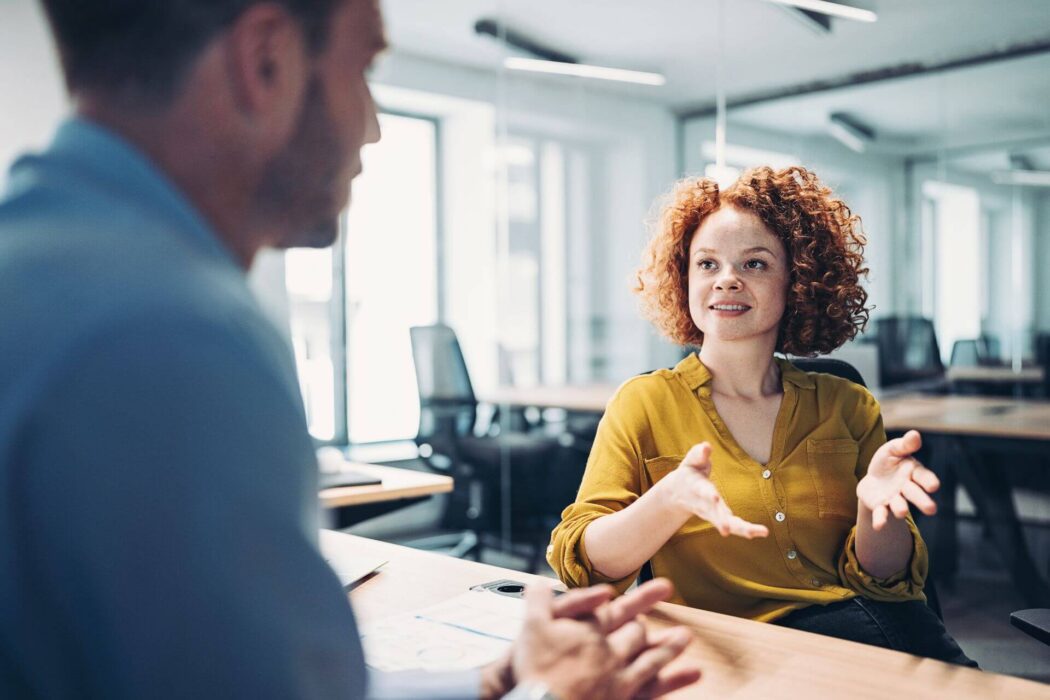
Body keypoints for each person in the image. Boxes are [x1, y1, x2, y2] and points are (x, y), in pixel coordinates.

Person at [0, 1, 701, 698]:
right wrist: (553, 696)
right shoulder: (169, 334)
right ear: (266, 61)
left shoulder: (48, 270)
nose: (371, 127)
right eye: (364, 68)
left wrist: (495, 681)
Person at [548, 166, 975, 666]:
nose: (726, 279)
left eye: (754, 264)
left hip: (878, 634)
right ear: (683, 278)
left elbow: (884, 580)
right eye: (707, 264)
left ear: (797, 282)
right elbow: (582, 568)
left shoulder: (847, 404)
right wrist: (666, 501)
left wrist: (876, 513)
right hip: (739, 656)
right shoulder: (643, 404)